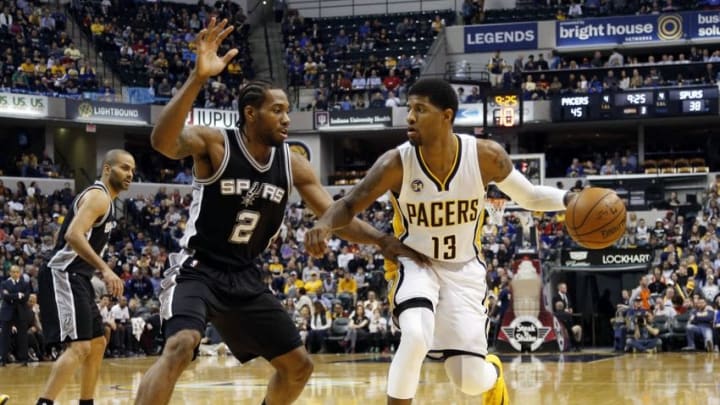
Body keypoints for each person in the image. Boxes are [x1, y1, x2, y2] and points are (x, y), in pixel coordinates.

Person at [134, 18, 427, 405]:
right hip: (198, 269)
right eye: (278, 110)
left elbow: (336, 215)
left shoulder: (293, 164)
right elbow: (162, 140)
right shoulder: (217, 145)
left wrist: (381, 240)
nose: (287, 118)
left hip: (244, 275)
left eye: (288, 111)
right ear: (251, 114)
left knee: (298, 366)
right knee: (181, 345)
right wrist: (197, 78)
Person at [305, 77, 572, 404]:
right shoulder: (396, 162)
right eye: (409, 109)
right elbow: (348, 204)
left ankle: (494, 374)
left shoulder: (485, 156)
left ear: (447, 116)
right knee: (415, 335)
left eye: (420, 109)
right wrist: (324, 223)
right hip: (415, 263)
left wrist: (570, 199)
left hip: (465, 271)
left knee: (471, 381)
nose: (410, 117)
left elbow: (530, 196)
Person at [36, 149, 134, 405]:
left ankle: (86, 402)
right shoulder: (98, 196)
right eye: (124, 168)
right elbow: (73, 234)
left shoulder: (106, 202)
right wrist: (105, 268)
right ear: (107, 169)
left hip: (78, 276)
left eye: (133, 170)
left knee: (98, 342)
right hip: (63, 274)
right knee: (79, 347)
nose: (130, 174)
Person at [0, 265, 32, 366]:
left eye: (17, 272)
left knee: (23, 337)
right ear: (10, 273)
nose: (15, 274)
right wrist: (18, 295)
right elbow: (4, 296)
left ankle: (24, 359)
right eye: (13, 272)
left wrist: (12, 296)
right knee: (5, 337)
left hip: (21, 312)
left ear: (20, 273)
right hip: (7, 313)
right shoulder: (4, 283)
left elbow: (26, 297)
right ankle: (3, 359)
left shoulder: (25, 284)